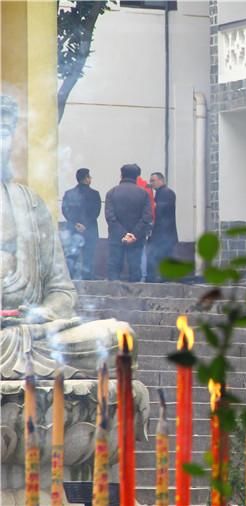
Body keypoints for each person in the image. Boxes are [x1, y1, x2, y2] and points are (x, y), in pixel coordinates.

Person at [0, 94, 128, 380]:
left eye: (4, 132)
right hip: (10, 341)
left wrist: (44, 313)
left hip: (35, 336)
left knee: (118, 338)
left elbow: (62, 290)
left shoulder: (30, 204)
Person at [105, 164, 153, 282]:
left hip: (116, 237)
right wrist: (133, 234)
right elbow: (147, 217)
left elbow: (110, 217)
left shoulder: (112, 192)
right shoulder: (144, 194)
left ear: (121, 175)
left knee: (114, 268)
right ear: (137, 176)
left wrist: (123, 234)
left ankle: (114, 296)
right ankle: (135, 296)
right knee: (135, 269)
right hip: (137, 238)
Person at [61, 168, 101, 279]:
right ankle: (88, 279)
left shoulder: (69, 194)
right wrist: (85, 224)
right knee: (88, 257)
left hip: (73, 229)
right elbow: (96, 211)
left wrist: (75, 223)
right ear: (87, 178)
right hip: (90, 230)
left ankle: (71, 279)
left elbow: (65, 210)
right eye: (90, 177)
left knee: (72, 256)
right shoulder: (95, 194)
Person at [146, 172, 178, 282]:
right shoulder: (160, 193)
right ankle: (160, 278)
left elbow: (163, 209)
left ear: (161, 180)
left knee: (162, 257)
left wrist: (153, 205)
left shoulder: (167, 193)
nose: (151, 183)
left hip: (164, 234)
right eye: (150, 181)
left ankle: (163, 279)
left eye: (153, 180)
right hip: (161, 233)